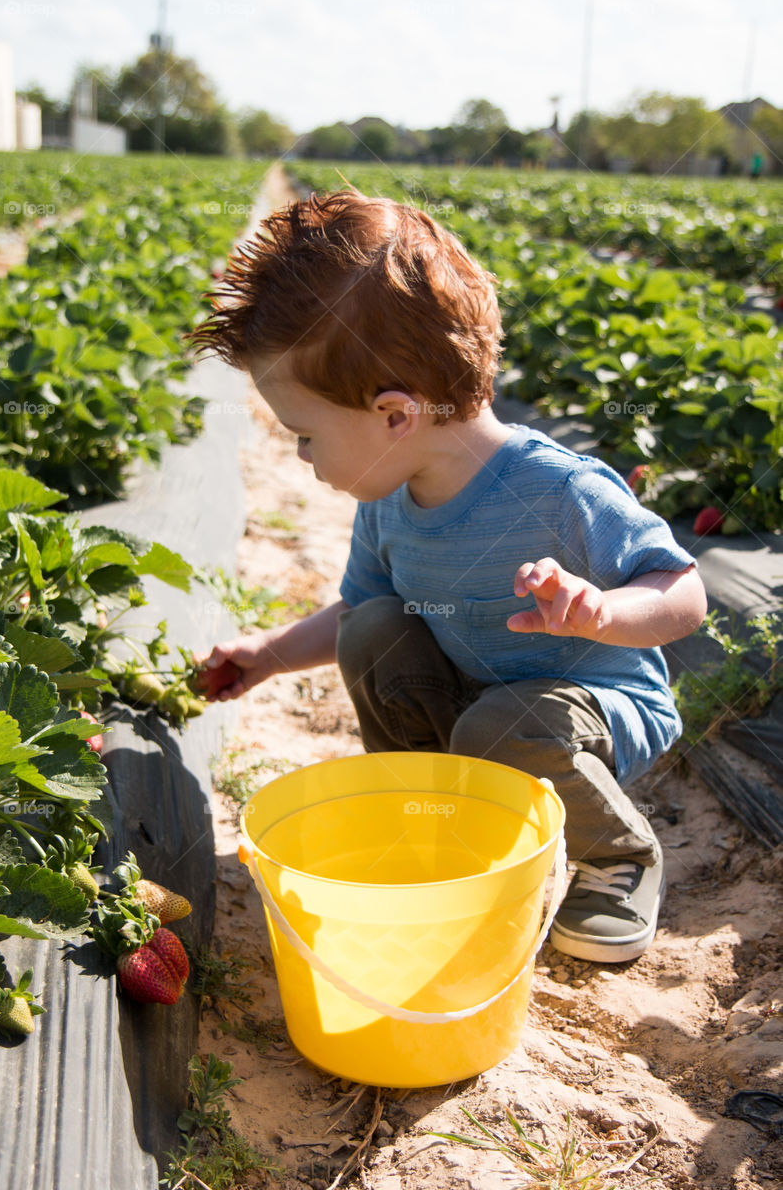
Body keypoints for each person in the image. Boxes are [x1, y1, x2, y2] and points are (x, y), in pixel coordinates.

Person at [186, 189, 707, 965]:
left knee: (499, 727)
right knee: (374, 629)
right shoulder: (388, 497)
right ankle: (434, 815)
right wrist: (268, 654)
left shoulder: (560, 489)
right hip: (479, 706)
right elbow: (357, 609)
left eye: (304, 436)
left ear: (395, 415)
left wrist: (599, 611)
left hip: (588, 709)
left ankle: (617, 859)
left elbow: (685, 594)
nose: (303, 459)